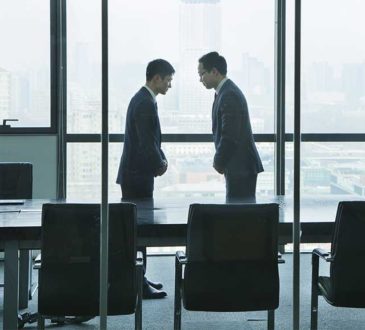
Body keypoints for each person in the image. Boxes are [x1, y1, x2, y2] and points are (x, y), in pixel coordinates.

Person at [116, 59, 175, 299]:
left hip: (135, 173)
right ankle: (138, 284)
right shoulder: (144, 103)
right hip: (137, 175)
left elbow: (149, 140)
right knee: (138, 231)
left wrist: (159, 159)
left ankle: (139, 278)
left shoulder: (143, 99)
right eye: (168, 80)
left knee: (137, 230)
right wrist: (159, 164)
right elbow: (145, 142)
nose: (170, 85)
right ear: (157, 78)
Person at [198, 52, 264, 201]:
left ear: (214, 71)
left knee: (239, 215)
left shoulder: (229, 94)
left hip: (241, 167)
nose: (200, 79)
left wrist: (218, 162)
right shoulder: (224, 92)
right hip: (239, 166)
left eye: (202, 74)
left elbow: (230, 136)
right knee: (238, 213)